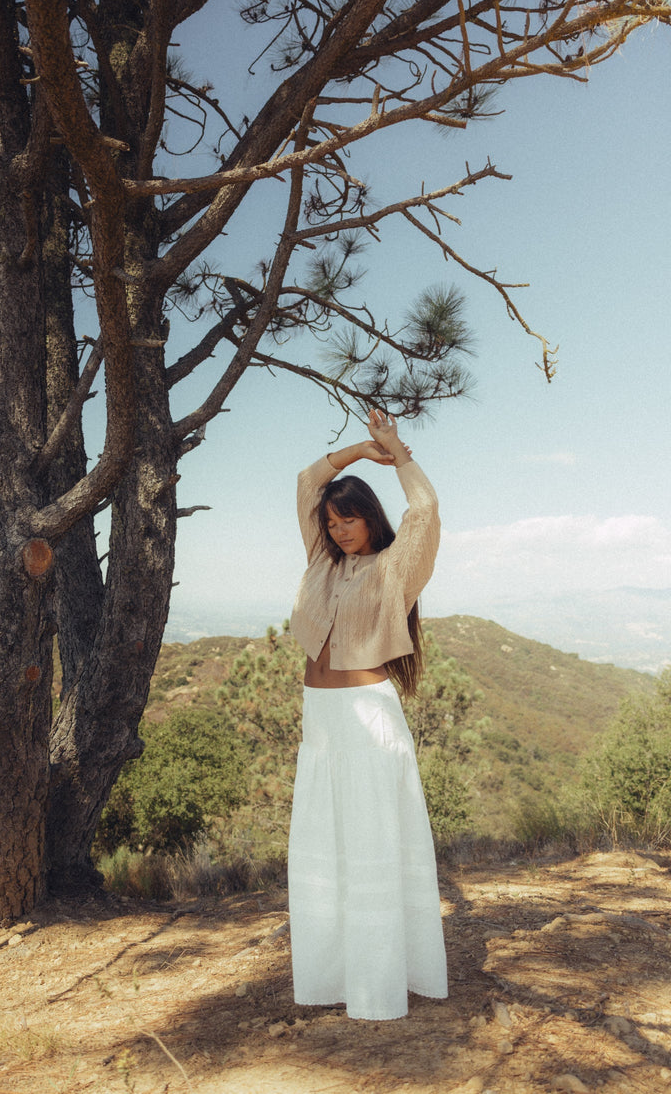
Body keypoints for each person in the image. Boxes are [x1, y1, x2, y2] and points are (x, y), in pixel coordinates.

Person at [287, 409, 448, 1021]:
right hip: (322, 718)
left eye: (348, 517)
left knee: (375, 840)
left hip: (369, 716)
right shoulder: (322, 561)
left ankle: (381, 986)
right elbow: (307, 482)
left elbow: (425, 511)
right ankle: (332, 979)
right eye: (331, 522)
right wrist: (357, 449)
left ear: (369, 518)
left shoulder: (394, 566)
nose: (338, 529)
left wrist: (396, 454)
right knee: (328, 843)